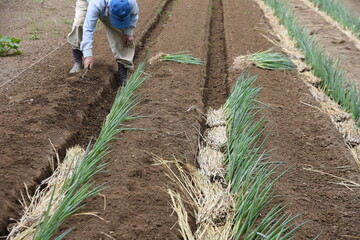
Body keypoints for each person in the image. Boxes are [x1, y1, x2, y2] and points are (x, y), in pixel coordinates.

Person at [67, 0, 139, 86]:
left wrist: (129, 32)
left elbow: (134, 14)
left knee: (122, 36)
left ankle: (122, 73)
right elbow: (88, 28)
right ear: (108, 8)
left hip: (110, 9)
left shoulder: (131, 2)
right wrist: (88, 54)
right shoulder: (96, 4)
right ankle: (77, 61)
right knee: (79, 24)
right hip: (87, 2)